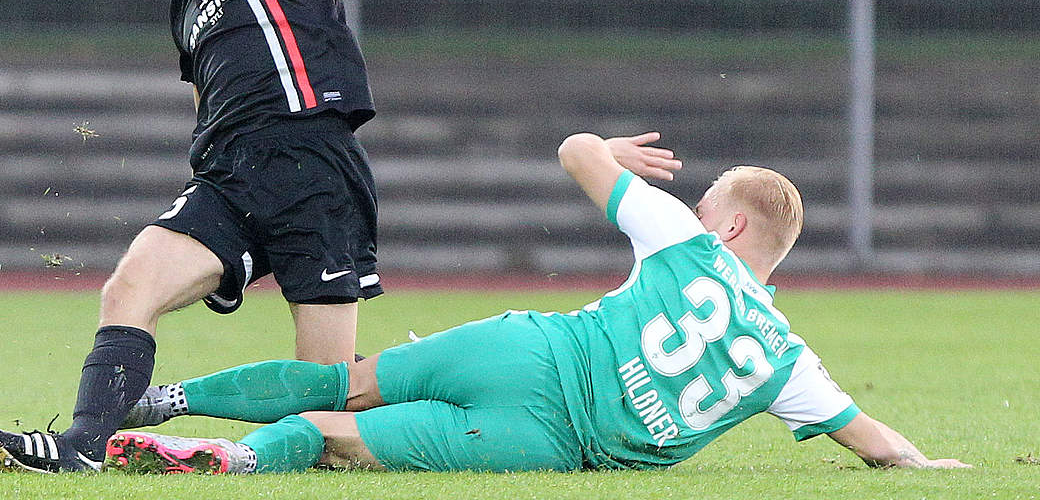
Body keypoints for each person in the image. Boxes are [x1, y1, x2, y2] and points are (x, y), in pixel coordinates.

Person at [0, 0, 453, 473]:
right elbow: (207, 104)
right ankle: (83, 448)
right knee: (128, 288)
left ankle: (446, 400)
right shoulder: (185, 4)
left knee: (328, 406)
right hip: (228, 180)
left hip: (313, 163)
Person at [97, 131, 971, 474]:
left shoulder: (685, 241)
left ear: (734, 229)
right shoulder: (787, 361)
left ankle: (151, 398)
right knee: (338, 444)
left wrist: (609, 151)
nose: (699, 212)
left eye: (709, 204)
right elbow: (878, 444)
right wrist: (932, 470)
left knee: (342, 379)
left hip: (530, 348)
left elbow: (575, 150)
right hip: (551, 439)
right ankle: (233, 461)